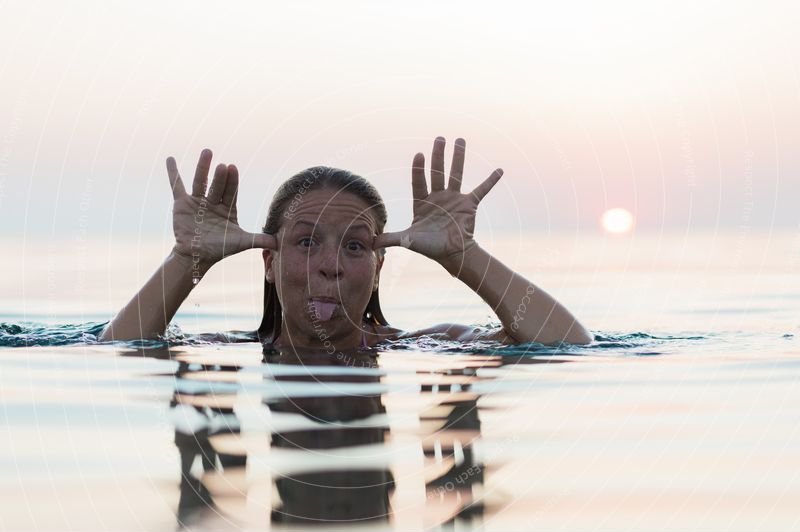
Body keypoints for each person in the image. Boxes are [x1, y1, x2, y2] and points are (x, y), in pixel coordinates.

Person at [99, 137, 592, 347]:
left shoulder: (429, 346)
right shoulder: (222, 349)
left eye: (355, 246)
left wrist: (465, 258)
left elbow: (569, 347)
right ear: (269, 261)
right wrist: (186, 261)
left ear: (378, 266)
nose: (331, 265)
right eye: (307, 242)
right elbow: (116, 353)